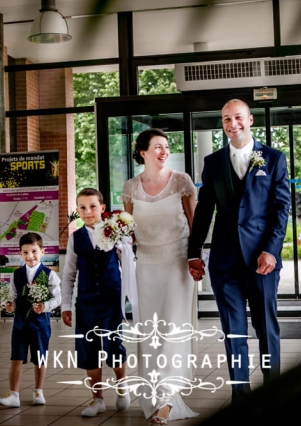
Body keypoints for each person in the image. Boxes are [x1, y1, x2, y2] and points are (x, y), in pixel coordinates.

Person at [187, 98, 290, 403]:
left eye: (238, 118)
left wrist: (271, 251)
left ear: (251, 120)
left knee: (266, 328)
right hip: (224, 263)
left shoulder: (272, 158)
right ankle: (240, 396)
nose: (233, 124)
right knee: (234, 332)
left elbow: (281, 209)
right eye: (226, 119)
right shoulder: (213, 162)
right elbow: (204, 211)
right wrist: (194, 251)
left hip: (262, 261)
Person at [122, 128, 199, 425]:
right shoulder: (130, 187)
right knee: (150, 333)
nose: (164, 151)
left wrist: (196, 258)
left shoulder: (182, 181)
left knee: (172, 331)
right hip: (146, 266)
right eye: (157, 147)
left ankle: (167, 400)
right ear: (143, 152)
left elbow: (196, 224)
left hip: (177, 264)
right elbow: (127, 231)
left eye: (166, 147)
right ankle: (154, 393)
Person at [61, 188, 131, 418]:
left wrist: (122, 245)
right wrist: (66, 305)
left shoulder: (116, 232)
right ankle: (97, 399)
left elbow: (129, 264)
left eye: (92, 206)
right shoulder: (75, 238)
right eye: (82, 207)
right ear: (78, 210)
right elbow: (69, 273)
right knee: (88, 350)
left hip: (111, 300)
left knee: (114, 347)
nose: (87, 211)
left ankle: (122, 389)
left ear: (102, 208)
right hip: (87, 303)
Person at [0, 232, 61, 408]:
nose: (30, 256)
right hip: (20, 324)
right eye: (25, 252)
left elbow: (58, 298)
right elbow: (14, 296)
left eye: (33, 251)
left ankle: (38, 391)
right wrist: (10, 305)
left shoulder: (49, 275)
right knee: (16, 358)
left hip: (40, 324)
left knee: (40, 358)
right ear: (20, 253)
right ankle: (13, 394)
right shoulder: (16, 275)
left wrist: (45, 306)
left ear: (42, 251)